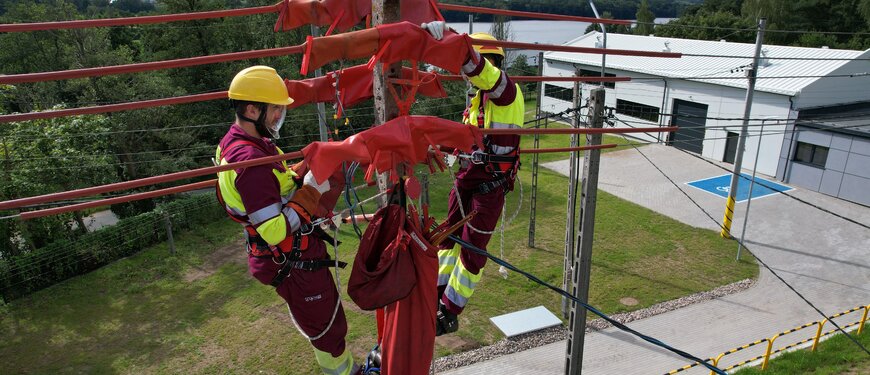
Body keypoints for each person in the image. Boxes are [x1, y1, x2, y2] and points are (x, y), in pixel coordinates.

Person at [215, 66, 359, 375]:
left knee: (324, 321)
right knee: (327, 329)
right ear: (252, 109)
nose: (280, 115)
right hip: (290, 259)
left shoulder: (244, 141)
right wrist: (309, 191)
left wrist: (302, 171)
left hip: (290, 256)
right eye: (276, 109)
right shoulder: (250, 162)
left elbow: (274, 183)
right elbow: (275, 230)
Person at [421, 24, 525, 336]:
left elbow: (482, 71)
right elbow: (466, 139)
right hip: (466, 182)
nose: (467, 79)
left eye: (469, 71)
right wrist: (434, 145)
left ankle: (450, 311)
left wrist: (453, 41)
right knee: (448, 239)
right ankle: (436, 293)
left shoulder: (507, 93)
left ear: (491, 62)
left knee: (472, 253)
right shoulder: (477, 101)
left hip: (488, 189)